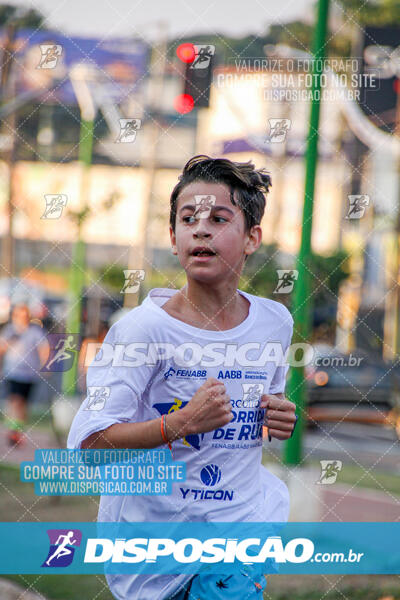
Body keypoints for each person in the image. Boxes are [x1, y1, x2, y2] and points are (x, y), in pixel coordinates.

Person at [67, 155, 297, 600]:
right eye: (188, 219)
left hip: (237, 539)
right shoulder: (141, 330)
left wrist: (278, 417)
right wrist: (181, 423)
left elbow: (266, 408)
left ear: (252, 238)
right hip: (156, 552)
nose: (201, 229)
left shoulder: (275, 321)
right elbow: (89, 445)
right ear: (173, 239)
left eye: (218, 218)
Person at [0, 303, 48, 446]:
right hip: (12, 372)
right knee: (15, 401)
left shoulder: (35, 332)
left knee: (23, 405)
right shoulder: (9, 330)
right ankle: (12, 431)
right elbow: (2, 349)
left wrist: (44, 366)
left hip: (29, 374)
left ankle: (18, 431)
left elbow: (43, 349)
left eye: (24, 315)